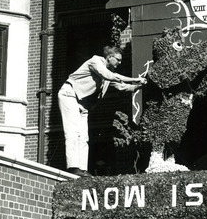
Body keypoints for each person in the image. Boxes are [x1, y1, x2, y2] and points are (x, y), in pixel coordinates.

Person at [58, 46, 145, 176]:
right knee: (73, 133)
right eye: (118, 60)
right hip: (70, 95)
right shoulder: (96, 61)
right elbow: (109, 75)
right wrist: (134, 79)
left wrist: (138, 86)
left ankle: (81, 169)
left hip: (83, 104)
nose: (119, 63)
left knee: (84, 137)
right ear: (110, 57)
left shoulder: (107, 74)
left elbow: (121, 86)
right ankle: (72, 166)